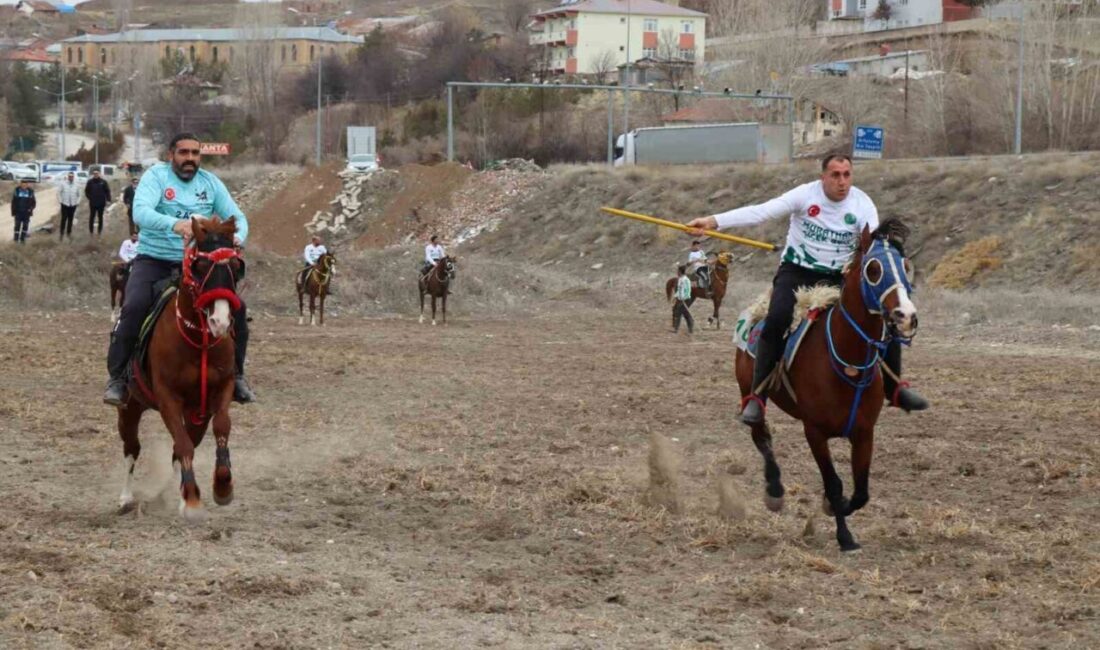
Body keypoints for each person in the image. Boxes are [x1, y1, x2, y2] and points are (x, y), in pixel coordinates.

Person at [686, 152, 927, 425]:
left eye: (847, 175)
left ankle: (895, 389)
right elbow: (760, 212)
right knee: (776, 319)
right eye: (835, 175)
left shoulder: (862, 204)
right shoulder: (804, 195)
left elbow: (871, 244)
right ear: (823, 176)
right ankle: (757, 398)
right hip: (797, 272)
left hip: (838, 277)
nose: (842, 182)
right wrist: (713, 221)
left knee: (882, 317)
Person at [103, 133, 255, 406]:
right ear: (171, 154)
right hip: (155, 259)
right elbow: (141, 213)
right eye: (184, 153)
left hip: (199, 265)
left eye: (195, 153)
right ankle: (118, 378)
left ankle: (238, 376)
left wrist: (236, 238)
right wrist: (175, 224)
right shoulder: (156, 178)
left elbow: (239, 218)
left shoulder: (210, 183)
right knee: (135, 305)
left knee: (238, 309)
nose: (190, 159)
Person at [84, 169, 111, 236]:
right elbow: (86, 191)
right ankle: (91, 232)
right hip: (93, 203)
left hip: (101, 203)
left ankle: (99, 232)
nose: (96, 174)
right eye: (94, 173)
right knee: (92, 217)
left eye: (97, 173)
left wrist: (108, 200)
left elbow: (107, 191)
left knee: (100, 217)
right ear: (93, 174)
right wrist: (90, 197)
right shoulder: (90, 182)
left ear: (99, 174)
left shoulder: (103, 182)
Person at [58, 171, 81, 241]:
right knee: (64, 219)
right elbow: (59, 192)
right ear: (68, 177)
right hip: (65, 204)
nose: (71, 177)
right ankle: (61, 233)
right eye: (69, 176)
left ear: (73, 177)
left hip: (73, 204)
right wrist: (60, 201)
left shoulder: (77, 184)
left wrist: (77, 202)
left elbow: (79, 195)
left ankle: (69, 233)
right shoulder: (63, 184)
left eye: (72, 176)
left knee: (70, 219)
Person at [10, 179, 35, 244]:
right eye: (22, 184)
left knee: (25, 226)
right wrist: (13, 211)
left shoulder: (31, 191)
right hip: (18, 212)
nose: (24, 186)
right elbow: (13, 202)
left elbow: (33, 202)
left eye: (25, 184)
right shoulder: (17, 190)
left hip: (26, 212)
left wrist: (31, 208)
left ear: (27, 185)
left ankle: (22, 240)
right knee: (17, 226)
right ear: (20, 184)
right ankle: (15, 240)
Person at [672, 264, 694, 334]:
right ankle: (690, 328)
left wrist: (684, 298)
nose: (677, 272)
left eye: (678, 271)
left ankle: (676, 329)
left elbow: (688, 290)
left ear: (680, 271)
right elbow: (679, 290)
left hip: (686, 299)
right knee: (684, 313)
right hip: (681, 299)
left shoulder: (686, 280)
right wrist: (676, 296)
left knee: (679, 312)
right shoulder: (680, 279)